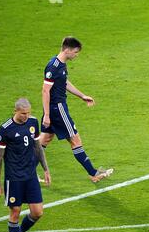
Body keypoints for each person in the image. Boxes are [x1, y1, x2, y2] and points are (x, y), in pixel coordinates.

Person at [41, 36, 113, 182]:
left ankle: (25, 172)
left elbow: (65, 82)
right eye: (75, 52)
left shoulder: (61, 64)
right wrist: (47, 114)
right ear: (67, 50)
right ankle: (93, 173)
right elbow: (45, 91)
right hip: (57, 109)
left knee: (45, 140)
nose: (76, 55)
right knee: (75, 139)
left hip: (55, 108)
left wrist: (82, 95)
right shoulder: (53, 66)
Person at [0, 98, 51, 232]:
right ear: (16, 111)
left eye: (28, 113)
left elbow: (38, 147)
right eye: (23, 113)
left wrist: (46, 169)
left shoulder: (33, 122)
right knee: (15, 212)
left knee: (37, 212)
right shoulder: (5, 129)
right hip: (14, 178)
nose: (27, 116)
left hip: (30, 175)